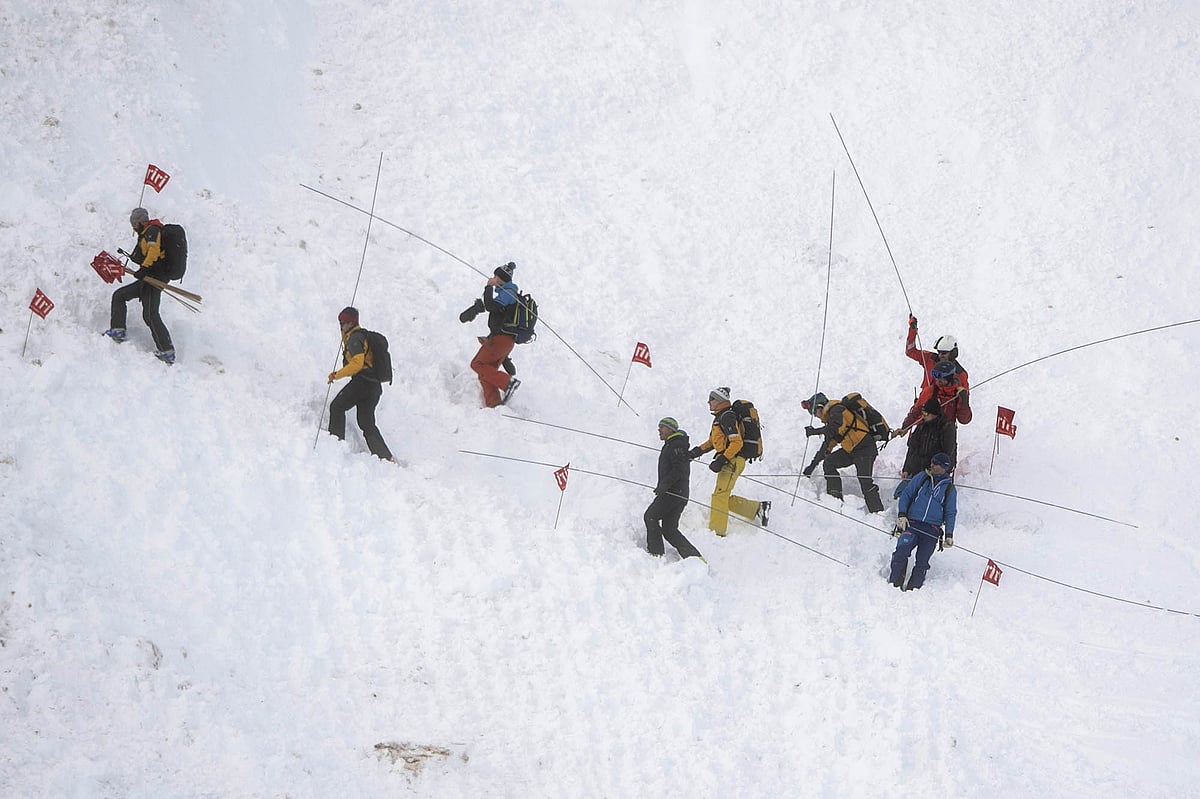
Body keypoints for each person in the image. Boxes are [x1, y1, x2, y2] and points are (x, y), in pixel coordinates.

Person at [688, 387, 771, 537]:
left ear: (719, 401)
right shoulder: (721, 417)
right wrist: (695, 452)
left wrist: (722, 460)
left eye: (711, 399)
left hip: (732, 460)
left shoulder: (727, 417)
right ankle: (757, 508)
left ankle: (717, 533)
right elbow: (713, 442)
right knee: (722, 495)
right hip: (731, 460)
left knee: (719, 495)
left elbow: (736, 442)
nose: (708, 402)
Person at [104, 207, 177, 364]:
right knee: (119, 296)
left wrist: (144, 269)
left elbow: (153, 251)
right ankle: (118, 330)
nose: (133, 227)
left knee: (150, 314)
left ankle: (167, 351)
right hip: (149, 278)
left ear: (138, 222)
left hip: (154, 278)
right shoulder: (146, 233)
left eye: (133, 224)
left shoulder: (152, 230)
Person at [326, 306, 395, 462]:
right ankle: (386, 457)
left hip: (362, 384)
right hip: (374, 387)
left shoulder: (355, 338)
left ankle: (334, 446)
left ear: (351, 323)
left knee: (336, 407)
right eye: (340, 322)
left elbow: (357, 364)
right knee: (366, 422)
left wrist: (336, 375)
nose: (341, 325)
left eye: (343, 322)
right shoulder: (360, 336)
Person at [802, 392, 885, 513]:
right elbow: (826, 447)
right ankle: (835, 500)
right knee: (829, 463)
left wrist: (815, 432)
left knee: (865, 481)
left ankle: (877, 513)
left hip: (864, 448)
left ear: (821, 407)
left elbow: (835, 428)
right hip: (851, 450)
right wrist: (812, 466)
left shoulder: (837, 409)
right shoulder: (831, 419)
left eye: (815, 413)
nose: (816, 417)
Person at [889, 452, 957, 590]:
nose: (932, 465)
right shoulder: (922, 477)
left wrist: (949, 534)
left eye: (936, 463)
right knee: (901, 552)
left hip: (932, 529)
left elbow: (951, 512)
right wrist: (902, 514)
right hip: (912, 524)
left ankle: (914, 590)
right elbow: (907, 494)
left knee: (922, 562)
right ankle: (894, 584)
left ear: (944, 467)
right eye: (932, 462)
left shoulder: (950, 488)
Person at [459, 262, 522, 408]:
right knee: (486, 371)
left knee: (477, 364)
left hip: (502, 340)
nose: (493, 278)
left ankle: (508, 383)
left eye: (496, 276)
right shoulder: (506, 293)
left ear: (501, 278)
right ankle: (494, 404)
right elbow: (499, 317)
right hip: (502, 340)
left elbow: (491, 306)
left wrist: (488, 286)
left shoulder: (508, 293)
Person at [644, 417, 703, 560]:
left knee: (650, 517)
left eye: (662, 427)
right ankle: (695, 558)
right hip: (678, 494)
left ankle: (655, 554)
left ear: (670, 429)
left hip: (673, 493)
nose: (659, 430)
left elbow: (679, 469)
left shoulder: (676, 445)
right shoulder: (674, 444)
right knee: (669, 529)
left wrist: (665, 485)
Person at [896, 360, 972, 465]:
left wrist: (964, 400)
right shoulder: (930, 391)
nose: (937, 380)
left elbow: (964, 420)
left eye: (940, 377)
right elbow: (916, 410)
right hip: (925, 436)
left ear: (949, 377)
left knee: (942, 472)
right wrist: (905, 427)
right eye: (936, 377)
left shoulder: (957, 394)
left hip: (945, 437)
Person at [892, 396, 956, 497]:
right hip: (916, 470)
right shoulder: (921, 427)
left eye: (926, 413)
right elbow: (912, 449)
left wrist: (937, 469)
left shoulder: (946, 428)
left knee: (922, 497)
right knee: (900, 493)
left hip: (933, 472)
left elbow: (948, 452)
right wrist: (906, 468)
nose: (923, 416)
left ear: (934, 414)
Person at [905, 315, 969, 390]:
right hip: (924, 399)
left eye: (944, 353)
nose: (940, 355)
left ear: (952, 353)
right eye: (939, 352)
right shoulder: (929, 358)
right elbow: (910, 351)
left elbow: (964, 399)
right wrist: (912, 330)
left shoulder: (960, 373)